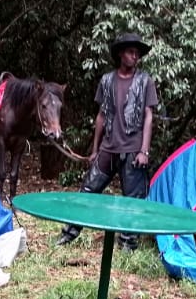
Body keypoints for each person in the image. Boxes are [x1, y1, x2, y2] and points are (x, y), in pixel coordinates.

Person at [57, 31, 159, 251]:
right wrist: (95, 149)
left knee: (133, 201)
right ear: (121, 54)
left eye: (137, 53)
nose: (135, 57)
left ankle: (127, 245)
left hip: (133, 150)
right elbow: (101, 116)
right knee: (88, 191)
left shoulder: (145, 81)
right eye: (131, 52)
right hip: (108, 148)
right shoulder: (107, 80)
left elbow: (148, 115)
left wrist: (144, 151)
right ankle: (68, 235)